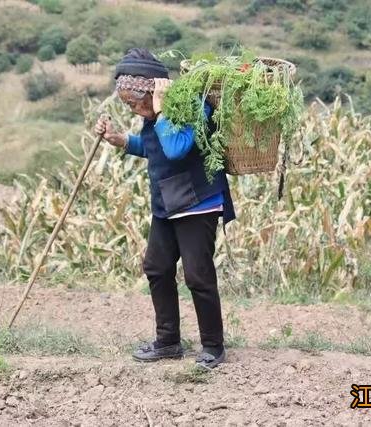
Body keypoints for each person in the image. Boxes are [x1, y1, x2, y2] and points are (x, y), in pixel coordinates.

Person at [95, 48, 236, 369]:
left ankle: (213, 346)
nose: (133, 109)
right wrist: (122, 140)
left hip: (198, 203)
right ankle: (169, 341)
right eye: (127, 104)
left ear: (151, 90)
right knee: (157, 268)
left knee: (198, 276)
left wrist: (159, 110)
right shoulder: (152, 117)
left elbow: (175, 148)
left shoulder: (190, 106)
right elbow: (154, 147)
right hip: (167, 204)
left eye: (135, 102)